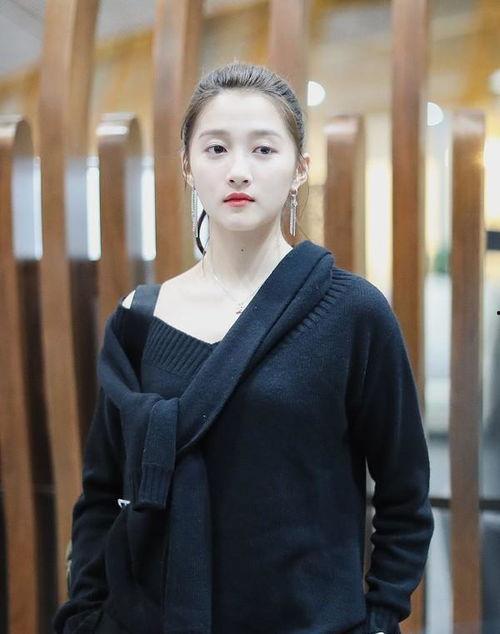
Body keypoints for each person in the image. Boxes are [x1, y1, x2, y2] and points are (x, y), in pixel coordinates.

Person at [53, 61, 434, 634]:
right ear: (187, 166)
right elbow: (102, 493)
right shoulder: (138, 320)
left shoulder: (355, 314)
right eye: (215, 149)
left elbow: (405, 495)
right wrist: (85, 613)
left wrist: (379, 619)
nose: (238, 171)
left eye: (263, 149)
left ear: (300, 168)